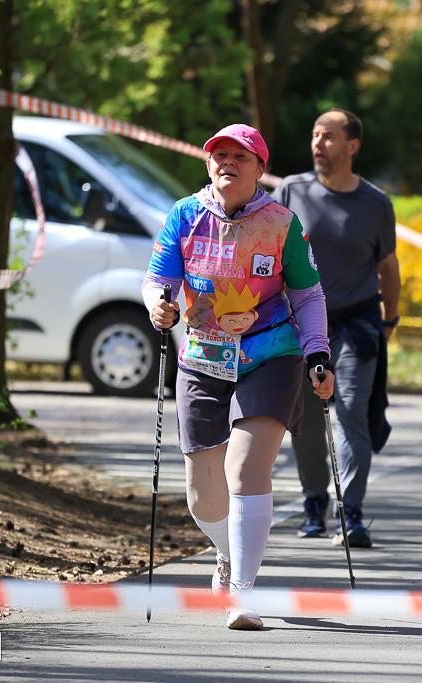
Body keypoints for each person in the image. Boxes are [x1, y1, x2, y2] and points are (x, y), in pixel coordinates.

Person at [143, 123, 334, 631]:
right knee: (202, 495)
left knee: (247, 469)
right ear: (208, 165)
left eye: (240, 157)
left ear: (259, 168)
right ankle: (228, 552)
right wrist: (158, 308)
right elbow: (158, 279)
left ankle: (243, 594)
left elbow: (309, 295)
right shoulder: (185, 216)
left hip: (271, 353)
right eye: (219, 155)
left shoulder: (281, 223)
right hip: (204, 357)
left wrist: (318, 353)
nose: (227, 162)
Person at [272, 109, 400, 549]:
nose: (318, 144)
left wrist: (390, 320)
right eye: (314, 135)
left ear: (352, 146)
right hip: (303, 322)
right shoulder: (291, 189)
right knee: (305, 416)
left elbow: (388, 267)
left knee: (350, 413)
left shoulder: (376, 203)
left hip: (357, 321)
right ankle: (314, 502)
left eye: (328, 137)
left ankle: (352, 513)